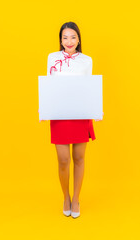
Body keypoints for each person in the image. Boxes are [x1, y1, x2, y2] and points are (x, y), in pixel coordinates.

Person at [41, 22, 103, 218]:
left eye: (73, 37)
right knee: (63, 159)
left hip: (80, 113)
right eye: (65, 37)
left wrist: (96, 109)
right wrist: (44, 107)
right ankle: (65, 196)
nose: (69, 41)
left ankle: (76, 198)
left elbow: (89, 86)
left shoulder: (86, 60)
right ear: (60, 39)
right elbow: (49, 84)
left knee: (78, 157)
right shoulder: (52, 58)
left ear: (79, 39)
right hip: (59, 113)